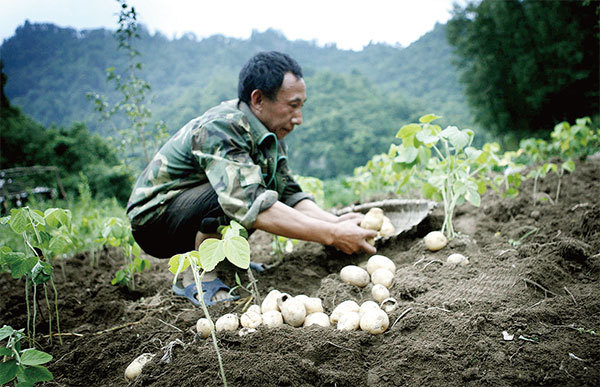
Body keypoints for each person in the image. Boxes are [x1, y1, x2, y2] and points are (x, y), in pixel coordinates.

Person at [126, 51, 377, 304]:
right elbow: (249, 202)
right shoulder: (220, 127)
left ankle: (225, 264)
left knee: (255, 186)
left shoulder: (269, 136)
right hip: (155, 222)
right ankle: (198, 275)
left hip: (189, 210)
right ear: (258, 99)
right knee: (236, 192)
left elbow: (289, 192)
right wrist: (332, 234)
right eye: (293, 106)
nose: (299, 118)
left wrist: (334, 221)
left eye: (301, 106)